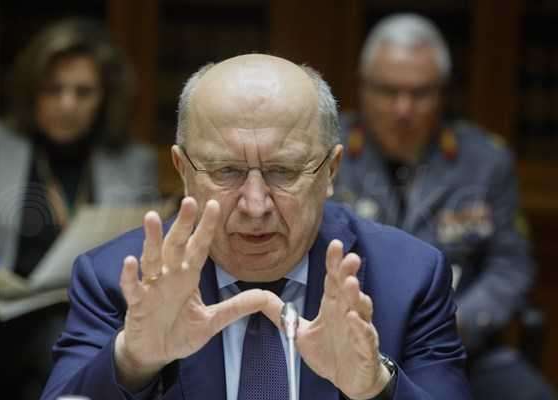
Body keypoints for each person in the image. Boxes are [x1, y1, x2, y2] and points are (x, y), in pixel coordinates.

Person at [40, 53, 471, 400]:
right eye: (226, 170)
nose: (255, 204)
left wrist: (377, 387)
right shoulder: (117, 279)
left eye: (283, 171)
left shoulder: (408, 278)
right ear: (183, 170)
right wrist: (132, 361)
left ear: (330, 171)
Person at [0, 18, 159, 400]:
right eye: (54, 90)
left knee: (78, 343)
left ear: (105, 98)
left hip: (96, 318)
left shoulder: (134, 162)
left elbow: (145, 252)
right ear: (31, 91)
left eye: (83, 92)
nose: (67, 104)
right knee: (60, 345)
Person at [334, 13, 556, 400]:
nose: (403, 108)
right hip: (348, 343)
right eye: (388, 91)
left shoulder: (485, 161)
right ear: (363, 87)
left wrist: (448, 324)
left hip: (459, 343)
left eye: (420, 93)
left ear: (442, 93)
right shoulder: (327, 152)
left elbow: (510, 267)